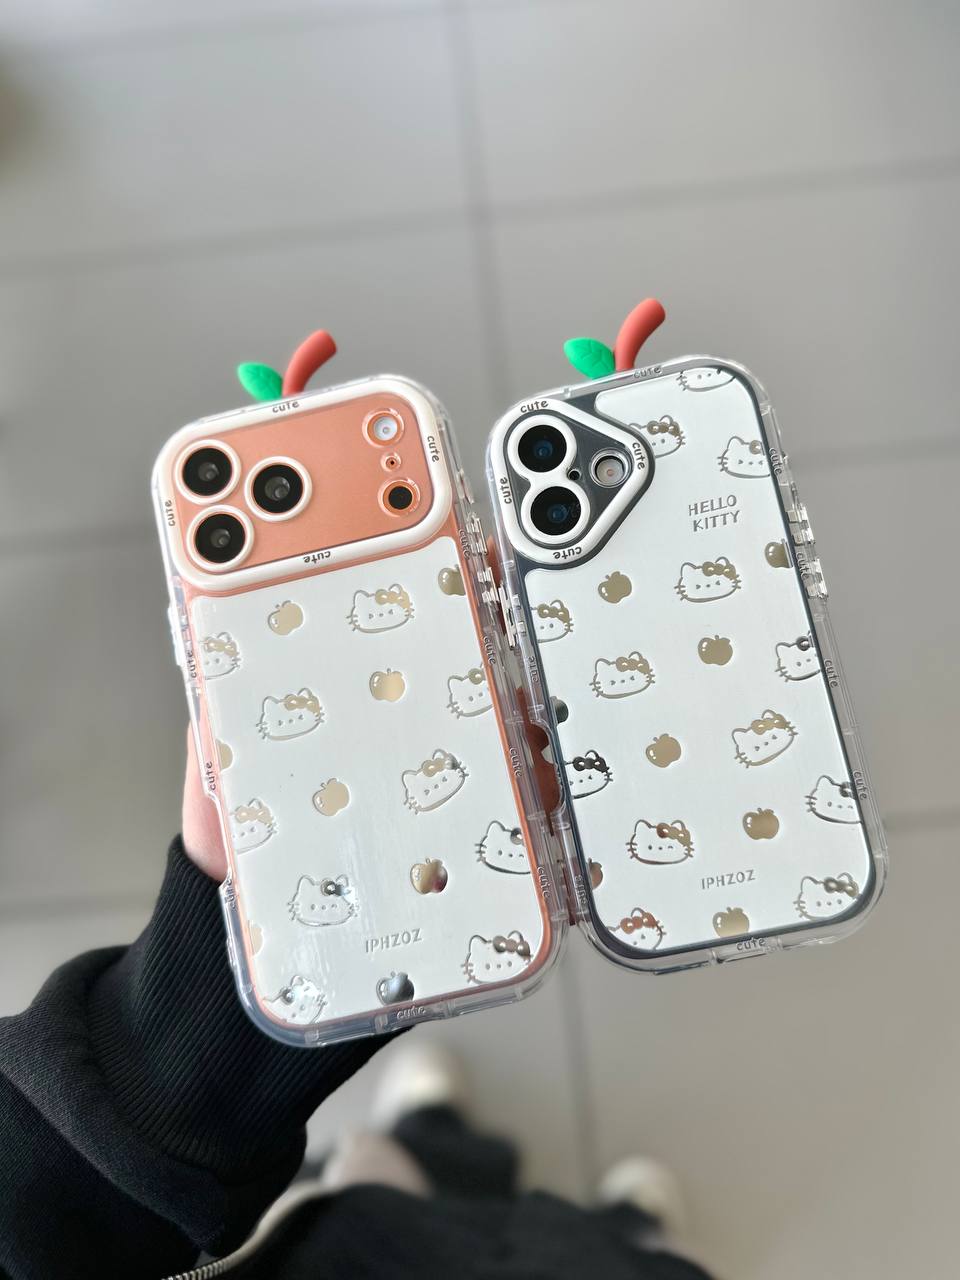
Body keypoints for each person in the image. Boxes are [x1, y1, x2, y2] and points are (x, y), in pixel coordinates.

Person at [0, 732, 713, 1278]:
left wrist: (179, 1060)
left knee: (400, 1177)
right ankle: (628, 1233)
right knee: (589, 1259)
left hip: (314, 1236)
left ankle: (435, 1139)